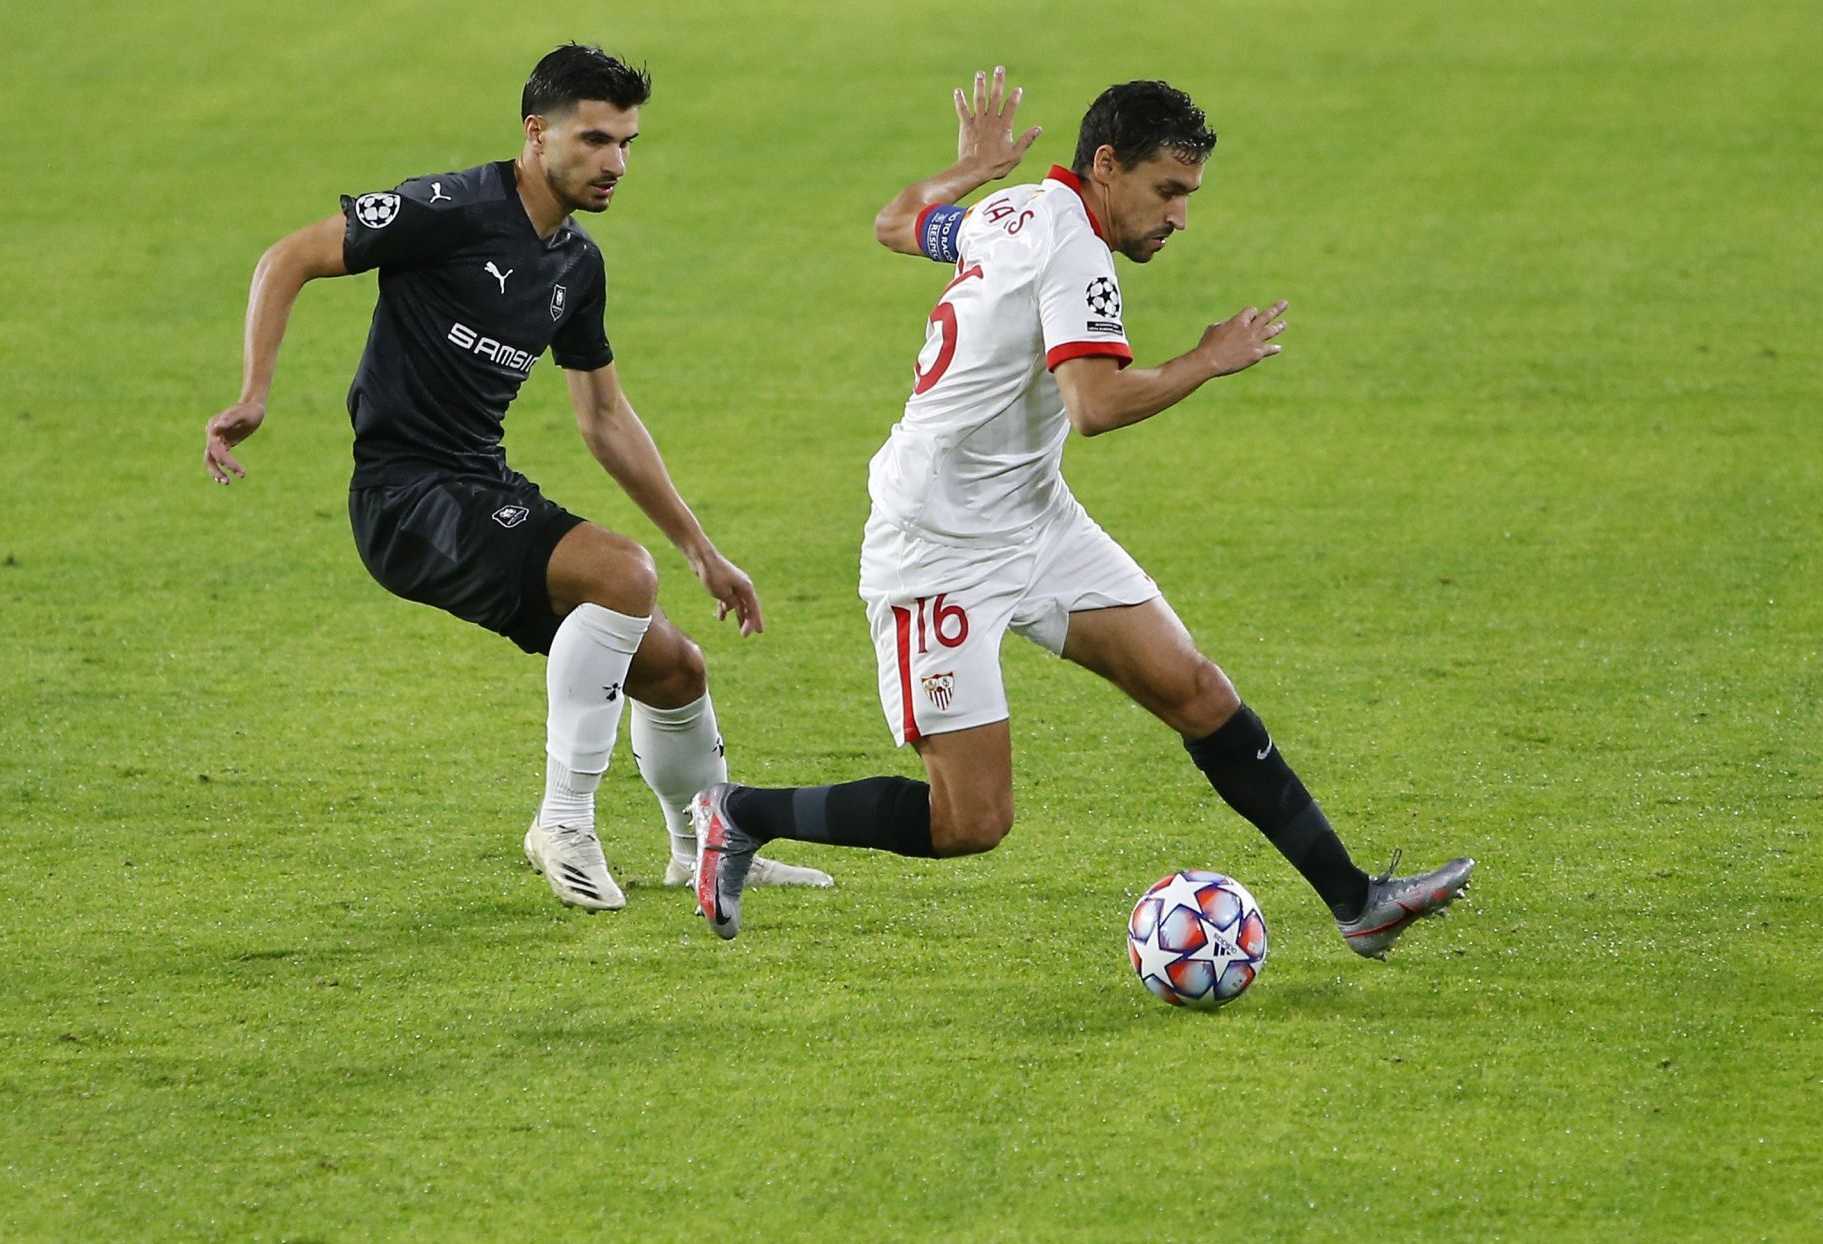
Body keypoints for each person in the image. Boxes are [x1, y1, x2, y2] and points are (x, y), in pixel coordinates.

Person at [691, 68, 1473, 954]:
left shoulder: (1007, 211)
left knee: (1197, 691)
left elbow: (895, 220)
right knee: (972, 820)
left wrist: (973, 169)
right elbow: (1093, 406)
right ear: (1107, 165)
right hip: (937, 550)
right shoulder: (1073, 252)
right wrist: (1207, 359)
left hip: (1033, 515)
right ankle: (742, 812)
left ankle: (1356, 902)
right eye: (1167, 191)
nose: (1180, 215)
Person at [200, 43, 831, 911]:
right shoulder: (449, 208)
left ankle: (707, 846)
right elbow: (288, 257)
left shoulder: (576, 265)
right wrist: (253, 395)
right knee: (619, 574)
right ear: (537, 134)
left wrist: (704, 551)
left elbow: (605, 420)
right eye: (596, 139)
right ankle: (562, 822)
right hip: (405, 498)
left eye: (628, 143)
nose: (615, 162)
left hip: (478, 488)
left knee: (676, 669)